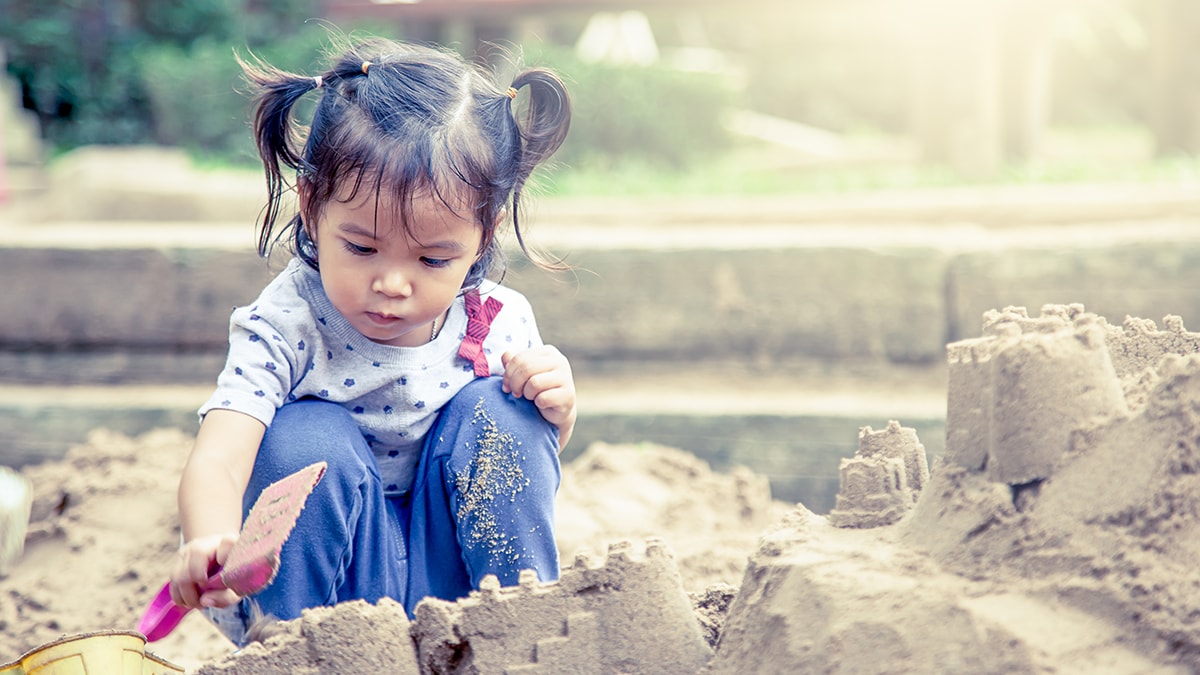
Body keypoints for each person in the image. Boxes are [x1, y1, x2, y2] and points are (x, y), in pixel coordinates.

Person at [167, 36, 575, 646]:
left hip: (460, 580)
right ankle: (291, 650)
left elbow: (533, 461)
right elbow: (221, 456)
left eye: (433, 258)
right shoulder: (285, 325)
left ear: (483, 235)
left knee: (507, 413)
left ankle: (523, 637)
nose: (391, 283)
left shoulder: (496, 317)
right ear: (311, 207)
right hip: (333, 590)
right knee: (302, 434)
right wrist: (208, 539)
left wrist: (557, 408)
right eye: (360, 247)